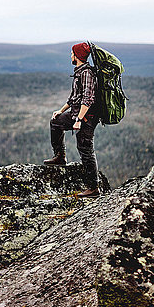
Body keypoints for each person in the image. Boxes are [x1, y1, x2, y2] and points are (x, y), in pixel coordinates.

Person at [44, 42, 101, 198]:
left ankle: (93, 188)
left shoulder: (87, 73)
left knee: (85, 149)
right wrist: (60, 111)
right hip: (77, 114)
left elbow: (88, 99)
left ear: (77, 56)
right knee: (55, 122)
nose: (70, 56)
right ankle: (60, 157)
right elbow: (74, 98)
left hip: (86, 117)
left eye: (72, 53)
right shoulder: (79, 71)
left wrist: (79, 120)